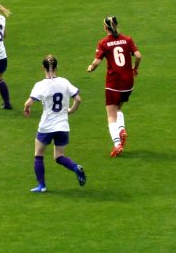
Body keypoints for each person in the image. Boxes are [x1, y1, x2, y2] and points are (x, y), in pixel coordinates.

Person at [23, 54, 87, 192]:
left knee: (38, 155)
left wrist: (27, 108)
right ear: (57, 67)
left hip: (46, 126)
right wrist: (71, 111)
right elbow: (78, 99)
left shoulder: (40, 85)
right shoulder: (64, 82)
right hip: (63, 126)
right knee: (59, 156)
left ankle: (42, 186)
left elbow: (29, 102)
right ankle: (76, 167)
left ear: (43, 68)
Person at [87, 16, 142, 157]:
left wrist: (91, 68)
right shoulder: (127, 39)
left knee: (111, 116)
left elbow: (97, 62)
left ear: (105, 28)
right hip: (128, 82)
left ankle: (117, 143)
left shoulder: (103, 43)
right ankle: (122, 129)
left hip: (113, 83)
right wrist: (135, 68)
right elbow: (138, 55)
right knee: (118, 108)